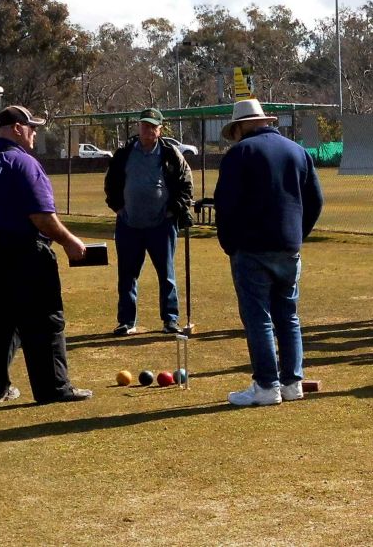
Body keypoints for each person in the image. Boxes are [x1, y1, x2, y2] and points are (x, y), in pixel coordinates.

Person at [0, 105, 92, 404]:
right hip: (26, 250)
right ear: (18, 128)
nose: (34, 132)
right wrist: (69, 241)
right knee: (45, 318)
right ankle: (54, 389)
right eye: (31, 127)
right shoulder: (23, 163)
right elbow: (42, 216)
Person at [215, 99, 323, 406]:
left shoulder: (239, 153)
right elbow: (315, 200)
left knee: (258, 318)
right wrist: (298, 234)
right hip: (288, 246)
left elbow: (226, 206)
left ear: (239, 127)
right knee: (288, 316)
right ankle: (292, 382)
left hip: (251, 248)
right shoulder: (297, 150)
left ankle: (266, 386)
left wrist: (229, 244)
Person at [104, 108, 195, 336]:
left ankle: (170, 320)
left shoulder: (170, 154)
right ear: (139, 126)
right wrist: (119, 208)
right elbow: (111, 183)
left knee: (166, 275)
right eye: (145, 125)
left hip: (161, 225)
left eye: (153, 126)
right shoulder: (124, 153)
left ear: (160, 129)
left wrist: (173, 211)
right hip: (129, 224)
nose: (148, 130)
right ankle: (126, 321)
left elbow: (186, 185)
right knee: (127, 275)